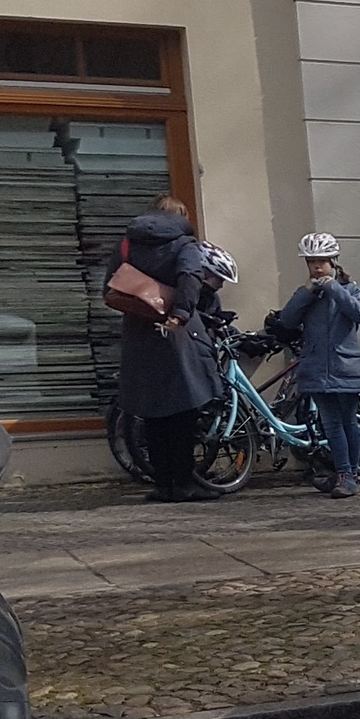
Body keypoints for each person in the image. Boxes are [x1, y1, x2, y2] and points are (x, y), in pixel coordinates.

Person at [115, 195, 222, 503]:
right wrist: (182, 313)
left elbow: (112, 281)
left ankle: (162, 484)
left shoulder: (128, 243)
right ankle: (184, 482)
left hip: (138, 333)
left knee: (152, 414)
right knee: (183, 413)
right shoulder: (184, 244)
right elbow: (190, 277)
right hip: (174, 335)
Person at [268, 233, 360, 498]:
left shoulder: (349, 289)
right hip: (316, 367)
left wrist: (334, 289)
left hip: (345, 366)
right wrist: (306, 293)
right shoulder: (307, 294)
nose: (316, 267)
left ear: (333, 262)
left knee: (347, 421)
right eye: (311, 262)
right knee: (330, 424)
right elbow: (288, 320)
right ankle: (341, 472)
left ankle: (350, 474)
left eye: (322, 262)